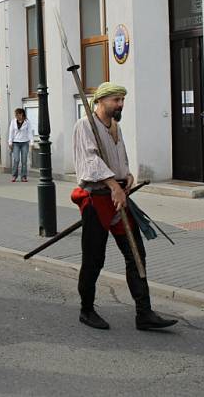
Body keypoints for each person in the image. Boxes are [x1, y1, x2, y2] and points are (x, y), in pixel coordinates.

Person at [72, 82, 177, 332]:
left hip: (119, 198)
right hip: (97, 199)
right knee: (94, 259)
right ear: (101, 101)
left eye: (122, 100)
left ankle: (144, 313)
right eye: (115, 100)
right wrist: (113, 185)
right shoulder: (84, 125)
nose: (120, 104)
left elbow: (121, 159)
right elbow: (89, 161)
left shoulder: (116, 127)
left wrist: (127, 176)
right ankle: (86, 309)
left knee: (136, 254)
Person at [7, 108, 33, 183]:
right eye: (16, 115)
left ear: (22, 114)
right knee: (16, 159)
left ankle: (23, 176)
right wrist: (10, 142)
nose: (16, 116)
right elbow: (11, 132)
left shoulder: (27, 122)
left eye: (18, 114)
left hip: (25, 142)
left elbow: (29, 132)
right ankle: (14, 176)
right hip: (16, 143)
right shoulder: (13, 121)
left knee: (24, 160)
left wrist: (31, 142)